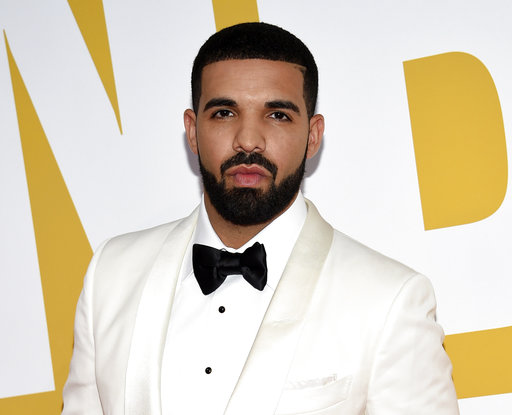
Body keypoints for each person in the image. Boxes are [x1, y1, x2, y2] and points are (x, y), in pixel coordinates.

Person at [62, 22, 459, 415]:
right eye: (223, 112)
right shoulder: (111, 275)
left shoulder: (390, 300)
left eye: (278, 116)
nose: (248, 140)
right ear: (192, 130)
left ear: (313, 135)